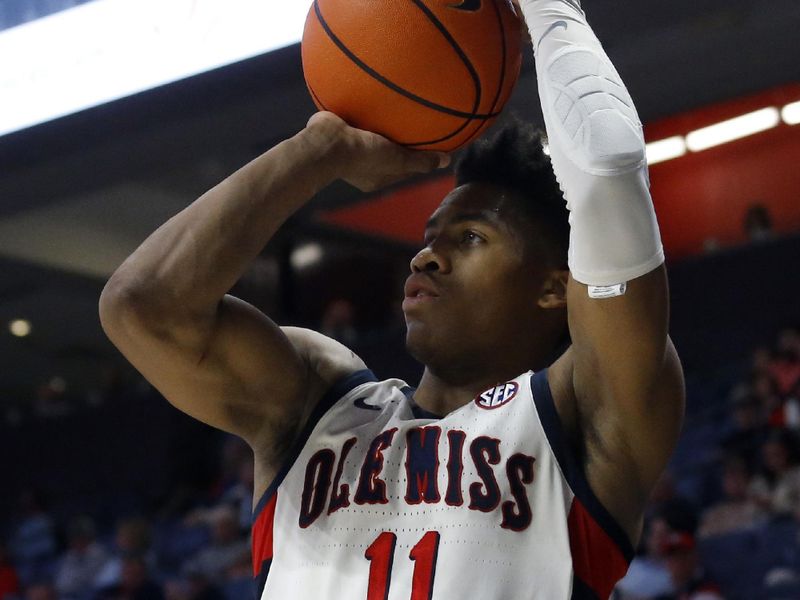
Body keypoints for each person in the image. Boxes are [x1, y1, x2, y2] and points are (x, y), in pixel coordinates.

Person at [99, 0, 684, 598]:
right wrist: (320, 149)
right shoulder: (317, 401)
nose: (425, 257)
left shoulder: (585, 409)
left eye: (472, 237)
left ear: (555, 287)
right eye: (428, 239)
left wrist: (548, 8)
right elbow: (141, 307)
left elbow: (608, 169)